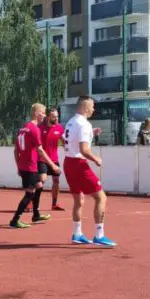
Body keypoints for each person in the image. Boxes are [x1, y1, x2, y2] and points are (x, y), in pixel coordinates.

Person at [63, 96, 116, 247]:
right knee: (101, 198)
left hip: (68, 163)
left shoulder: (71, 122)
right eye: (92, 106)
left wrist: (91, 132)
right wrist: (96, 159)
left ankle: (77, 234)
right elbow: (84, 150)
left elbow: (71, 139)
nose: (94, 109)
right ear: (86, 108)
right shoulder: (84, 124)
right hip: (79, 164)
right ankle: (99, 235)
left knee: (78, 200)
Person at [10, 103, 59, 229]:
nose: (44, 115)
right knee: (30, 194)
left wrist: (18, 166)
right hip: (29, 166)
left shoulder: (23, 129)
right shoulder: (34, 129)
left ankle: (36, 214)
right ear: (36, 114)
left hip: (25, 165)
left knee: (39, 186)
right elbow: (40, 150)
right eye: (42, 113)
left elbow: (15, 150)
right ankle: (15, 220)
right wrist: (53, 165)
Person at [39, 108, 66, 211]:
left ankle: (54, 204)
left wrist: (67, 147)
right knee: (41, 181)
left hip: (54, 160)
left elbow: (64, 141)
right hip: (42, 159)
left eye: (57, 116)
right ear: (48, 117)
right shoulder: (40, 128)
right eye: (54, 116)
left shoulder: (59, 128)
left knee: (56, 181)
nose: (56, 118)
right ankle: (31, 203)